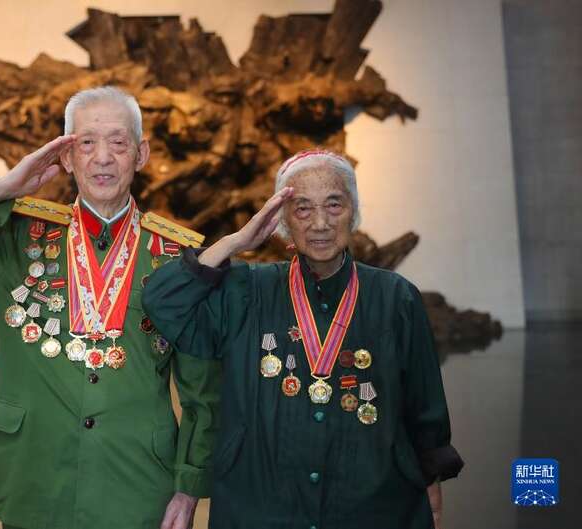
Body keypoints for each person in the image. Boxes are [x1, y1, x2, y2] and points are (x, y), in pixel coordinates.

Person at [0, 86, 221, 529]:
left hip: (136, 482)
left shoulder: (177, 258)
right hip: (33, 475)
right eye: (86, 143)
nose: (103, 158)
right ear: (65, 156)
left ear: (141, 155)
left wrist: (189, 486)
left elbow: (202, 391)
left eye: (118, 143)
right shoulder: (14, 239)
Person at [142, 150, 464, 529]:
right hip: (262, 506)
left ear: (354, 212)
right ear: (282, 219)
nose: (321, 223)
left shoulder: (396, 297)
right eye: (303, 209)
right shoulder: (246, 290)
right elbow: (162, 302)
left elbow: (424, 404)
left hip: (372, 505)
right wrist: (234, 242)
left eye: (334, 205)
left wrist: (431, 479)